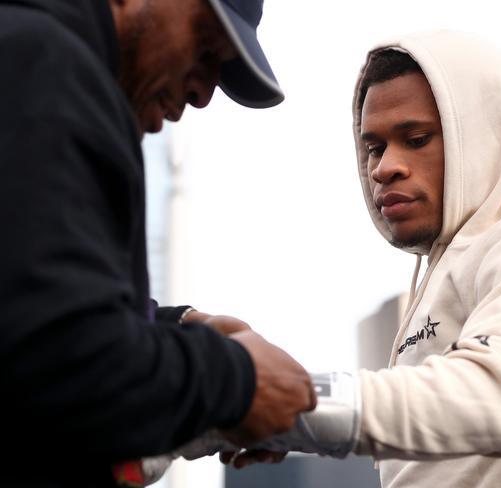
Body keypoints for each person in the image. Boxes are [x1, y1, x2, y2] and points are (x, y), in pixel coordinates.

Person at [227, 30, 501, 487]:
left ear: (483, 136)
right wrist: (266, 417)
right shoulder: (449, 265)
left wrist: (292, 401)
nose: (382, 167)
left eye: (415, 138)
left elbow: (496, 401)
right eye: (374, 148)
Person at [0, 0, 315, 486]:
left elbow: (27, 291)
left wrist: (175, 325)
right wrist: (238, 380)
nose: (203, 94)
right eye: (207, 45)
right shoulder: (45, 62)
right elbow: (65, 364)